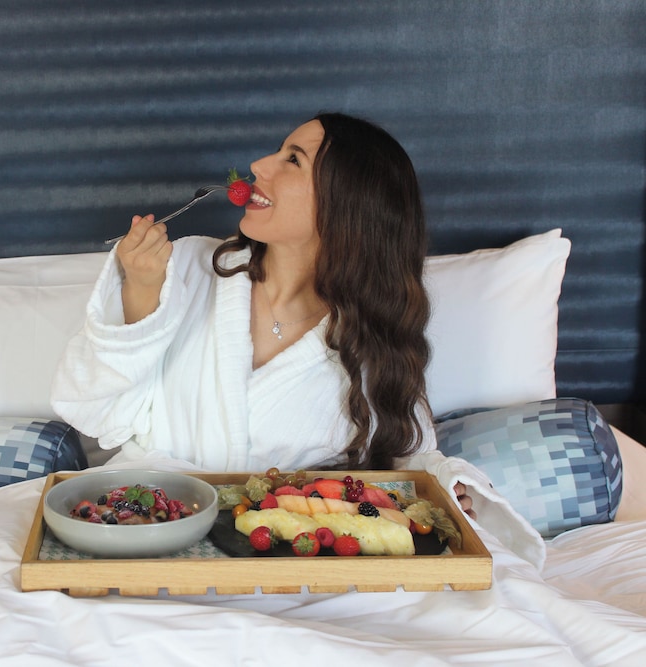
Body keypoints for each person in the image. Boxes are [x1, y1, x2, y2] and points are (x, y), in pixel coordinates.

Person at [51, 112, 474, 514]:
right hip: (149, 519)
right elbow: (92, 409)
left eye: (293, 159)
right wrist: (142, 289)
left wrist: (444, 486)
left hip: (283, 544)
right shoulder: (185, 268)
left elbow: (407, 461)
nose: (257, 165)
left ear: (347, 205)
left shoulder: (373, 335)